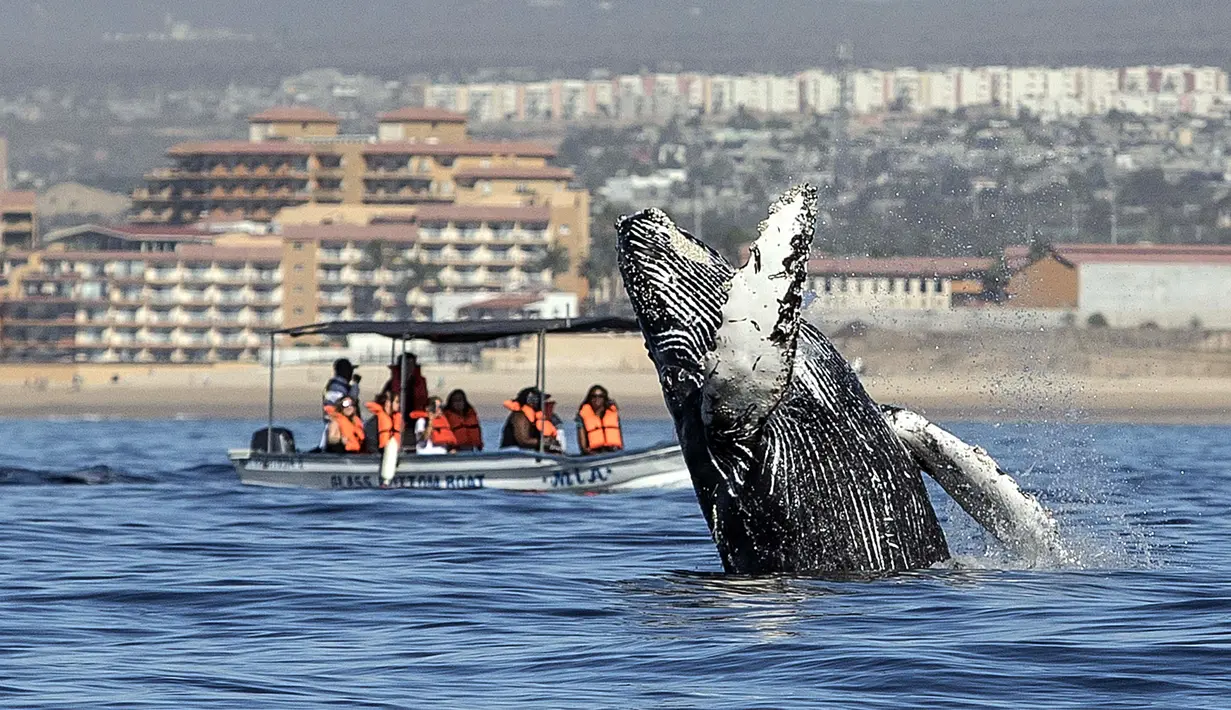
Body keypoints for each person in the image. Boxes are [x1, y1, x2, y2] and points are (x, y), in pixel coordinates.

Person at [500, 386, 564, 453]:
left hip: (528, 453)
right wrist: (545, 442)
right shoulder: (520, 416)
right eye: (541, 400)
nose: (544, 403)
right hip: (514, 453)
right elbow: (523, 441)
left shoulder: (536, 417)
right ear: (532, 401)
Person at [321, 357, 361, 448]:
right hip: (337, 428)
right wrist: (355, 385)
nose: (351, 373)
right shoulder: (336, 388)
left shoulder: (340, 386)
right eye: (350, 370)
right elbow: (346, 403)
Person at [575, 384, 623, 455]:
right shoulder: (582, 416)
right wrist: (587, 452)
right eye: (594, 396)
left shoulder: (612, 413)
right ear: (590, 398)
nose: (597, 399)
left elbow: (620, 435)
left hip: (614, 451)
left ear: (604, 398)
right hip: (594, 453)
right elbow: (582, 444)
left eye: (600, 396)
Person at [364, 387, 403, 453]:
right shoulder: (373, 423)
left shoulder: (395, 420)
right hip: (378, 457)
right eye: (396, 402)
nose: (398, 405)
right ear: (387, 403)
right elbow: (371, 445)